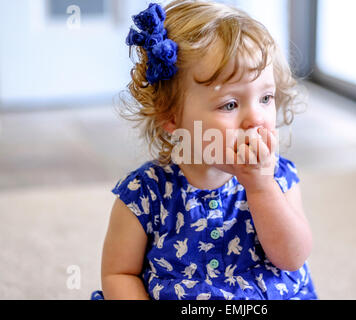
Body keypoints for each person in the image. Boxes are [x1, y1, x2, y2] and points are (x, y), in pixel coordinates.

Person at [91, 0, 318, 300]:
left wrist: (261, 188)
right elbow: (119, 273)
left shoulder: (278, 177)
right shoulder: (145, 194)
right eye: (230, 104)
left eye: (265, 98)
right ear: (171, 117)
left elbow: (293, 258)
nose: (255, 118)